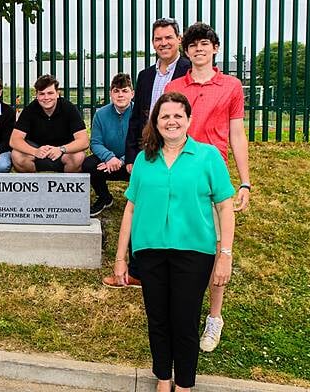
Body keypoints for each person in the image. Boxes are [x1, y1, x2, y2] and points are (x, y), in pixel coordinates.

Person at [113, 92, 235, 392]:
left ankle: (184, 384)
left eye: (178, 116)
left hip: (194, 252)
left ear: (189, 120)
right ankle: (163, 379)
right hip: (150, 251)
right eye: (165, 116)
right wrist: (120, 257)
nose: (171, 121)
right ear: (156, 121)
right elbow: (131, 207)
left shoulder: (208, 157)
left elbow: (225, 207)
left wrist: (225, 254)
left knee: (184, 320)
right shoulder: (145, 159)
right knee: (157, 319)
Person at [165, 22, 251, 353]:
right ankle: (181, 311)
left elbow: (237, 134)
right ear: (185, 52)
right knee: (178, 244)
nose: (199, 49)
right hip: (177, 172)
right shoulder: (175, 86)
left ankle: (214, 317)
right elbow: (163, 128)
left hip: (211, 177)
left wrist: (244, 180)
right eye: (193, 45)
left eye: (205, 43)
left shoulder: (231, 86)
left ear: (214, 48)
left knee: (216, 246)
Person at [103, 17, 191, 288]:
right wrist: (131, 157)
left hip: (179, 152)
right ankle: (137, 272)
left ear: (179, 39)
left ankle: (174, 272)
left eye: (168, 37)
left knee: (174, 211)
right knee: (139, 210)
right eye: (158, 39)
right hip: (148, 152)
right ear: (153, 43)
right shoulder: (145, 76)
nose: (163, 43)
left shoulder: (189, 71)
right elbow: (136, 121)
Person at [10, 75, 88, 173]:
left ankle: (65, 186)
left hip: (63, 152)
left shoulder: (69, 108)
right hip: (36, 152)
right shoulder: (30, 109)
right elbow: (14, 140)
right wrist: (35, 151)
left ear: (57, 93)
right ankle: (33, 186)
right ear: (37, 95)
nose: (46, 98)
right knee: (17, 155)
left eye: (50, 93)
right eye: (42, 94)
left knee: (78, 156)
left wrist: (61, 149)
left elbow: (84, 141)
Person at [82, 73, 135, 216]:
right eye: (116, 91)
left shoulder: (140, 113)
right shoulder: (101, 114)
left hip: (132, 162)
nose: (120, 95)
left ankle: (138, 201)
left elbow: (143, 143)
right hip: (108, 163)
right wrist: (109, 158)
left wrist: (123, 160)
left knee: (148, 164)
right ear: (111, 94)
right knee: (88, 164)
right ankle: (105, 197)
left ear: (132, 93)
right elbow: (95, 142)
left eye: (125, 91)